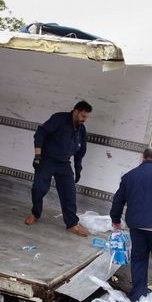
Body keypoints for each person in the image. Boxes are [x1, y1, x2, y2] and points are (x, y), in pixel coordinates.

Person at [110, 147, 152, 302]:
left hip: (137, 227)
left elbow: (118, 200)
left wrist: (115, 219)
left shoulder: (129, 176)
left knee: (139, 259)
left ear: (143, 158)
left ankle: (138, 295)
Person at [25, 101, 92, 236]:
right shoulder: (59, 119)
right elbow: (40, 133)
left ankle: (72, 224)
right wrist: (37, 156)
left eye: (86, 117)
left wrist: (78, 168)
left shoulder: (81, 130)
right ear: (76, 111)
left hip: (63, 164)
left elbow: (80, 151)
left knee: (69, 193)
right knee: (38, 189)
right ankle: (35, 213)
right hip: (46, 160)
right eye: (83, 116)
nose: (84, 120)